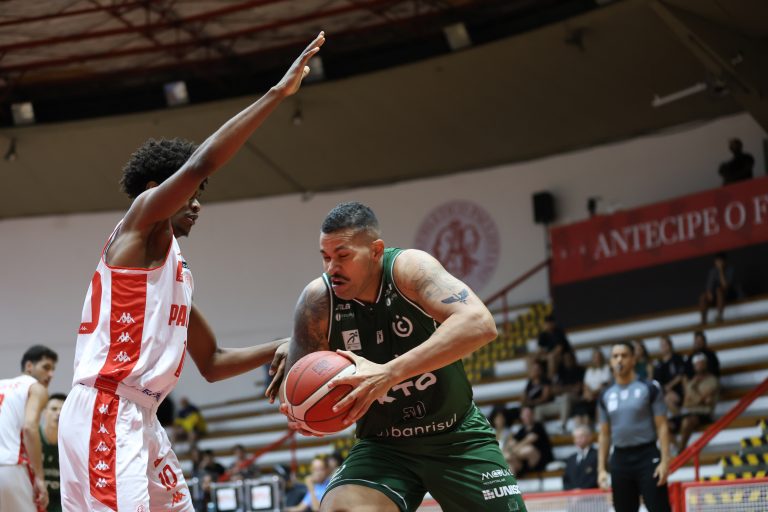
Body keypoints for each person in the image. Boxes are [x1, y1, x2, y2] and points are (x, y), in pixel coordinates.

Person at [57, 32, 326, 512]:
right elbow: (203, 160)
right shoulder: (139, 224)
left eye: (202, 194)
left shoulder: (175, 275)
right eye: (191, 192)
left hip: (141, 414)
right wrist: (276, 93)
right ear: (158, 189)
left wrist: (284, 344)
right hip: (106, 407)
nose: (198, 203)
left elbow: (213, 361)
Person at [280, 202, 527, 512]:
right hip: (383, 446)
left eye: (343, 256)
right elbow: (297, 385)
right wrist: (303, 412)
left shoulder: (409, 269)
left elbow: (480, 324)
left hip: (455, 435)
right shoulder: (318, 301)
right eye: (326, 257)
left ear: (376, 251)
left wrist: (389, 373)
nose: (332, 268)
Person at [598, 342, 671, 512]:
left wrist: (665, 461)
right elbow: (604, 434)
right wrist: (601, 469)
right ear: (610, 362)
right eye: (615, 356)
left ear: (633, 360)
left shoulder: (649, 388)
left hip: (647, 456)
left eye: (624, 355)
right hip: (620, 459)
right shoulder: (605, 395)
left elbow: (662, 426)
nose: (619, 360)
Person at [0, 345, 58, 512]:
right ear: (29, 366)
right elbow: (30, 427)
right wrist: (40, 477)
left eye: (53, 369)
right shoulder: (36, 388)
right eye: (46, 367)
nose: (51, 374)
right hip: (13, 467)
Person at [676, 354, 719, 450]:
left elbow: (705, 401)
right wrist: (698, 398)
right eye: (697, 364)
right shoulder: (691, 382)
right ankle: (676, 447)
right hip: (689, 412)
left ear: (706, 364)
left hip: (704, 413)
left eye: (701, 363)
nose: (699, 366)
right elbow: (686, 403)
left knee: (687, 421)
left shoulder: (712, 380)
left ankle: (681, 450)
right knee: (667, 424)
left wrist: (693, 392)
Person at [505, 406, 553, 477]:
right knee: (509, 464)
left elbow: (529, 439)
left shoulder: (538, 426)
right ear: (521, 416)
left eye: (528, 414)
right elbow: (512, 442)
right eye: (524, 415)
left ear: (533, 415)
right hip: (524, 462)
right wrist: (508, 450)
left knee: (528, 449)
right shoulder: (522, 430)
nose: (527, 416)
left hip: (540, 461)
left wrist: (512, 451)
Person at [40, 393, 66, 512]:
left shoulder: (71, 442)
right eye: (54, 409)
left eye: (62, 410)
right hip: (35, 496)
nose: (58, 413)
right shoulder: (33, 438)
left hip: (60, 500)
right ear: (44, 412)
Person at [572, 347, 611, 426]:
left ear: (601, 357)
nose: (597, 359)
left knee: (588, 411)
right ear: (592, 359)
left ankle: (588, 428)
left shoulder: (606, 368)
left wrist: (592, 394)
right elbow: (585, 386)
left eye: (598, 356)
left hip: (599, 397)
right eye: (595, 357)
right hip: (589, 397)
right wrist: (588, 394)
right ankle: (580, 429)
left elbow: (604, 385)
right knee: (579, 409)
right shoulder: (589, 371)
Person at [699, 253, 738, 324]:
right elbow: (709, 286)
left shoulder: (730, 270)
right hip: (715, 297)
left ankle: (719, 316)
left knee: (719, 290)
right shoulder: (712, 271)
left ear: (724, 262)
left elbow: (725, 285)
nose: (718, 263)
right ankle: (703, 320)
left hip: (729, 295)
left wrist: (721, 271)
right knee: (703, 296)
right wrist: (709, 292)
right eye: (717, 261)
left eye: (720, 261)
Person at [653, 336, 686, 416]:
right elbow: (656, 381)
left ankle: (679, 417)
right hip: (663, 391)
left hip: (677, 390)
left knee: (668, 399)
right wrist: (664, 389)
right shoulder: (658, 364)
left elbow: (681, 375)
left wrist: (669, 386)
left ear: (670, 345)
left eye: (665, 345)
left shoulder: (677, 358)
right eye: (661, 345)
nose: (663, 347)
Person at [562, 425, 598, 490]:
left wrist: (582, 490)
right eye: (576, 437)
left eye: (581, 436)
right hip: (573, 494)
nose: (578, 440)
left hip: (592, 493)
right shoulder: (571, 459)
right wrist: (572, 491)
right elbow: (566, 479)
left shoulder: (597, 455)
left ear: (589, 437)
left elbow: (596, 477)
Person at [536, 315, 572, 379]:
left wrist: (548, 355)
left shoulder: (559, 332)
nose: (548, 325)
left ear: (553, 323)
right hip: (548, 355)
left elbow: (559, 349)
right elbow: (540, 349)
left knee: (551, 357)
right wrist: (541, 355)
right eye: (546, 323)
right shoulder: (543, 334)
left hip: (562, 355)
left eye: (549, 323)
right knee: (530, 358)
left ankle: (550, 379)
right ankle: (534, 379)